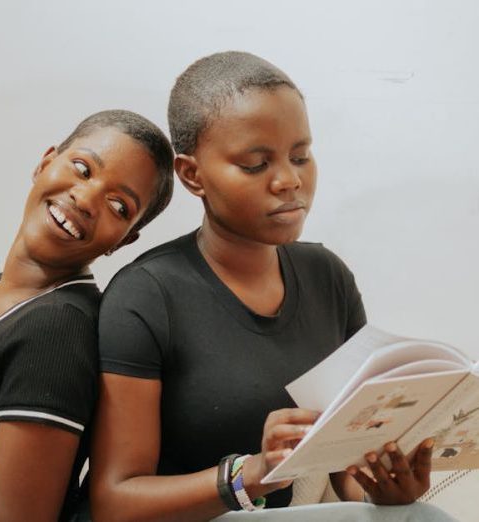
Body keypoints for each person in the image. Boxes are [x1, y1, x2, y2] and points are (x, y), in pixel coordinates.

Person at [91, 52, 433, 522]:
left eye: (301, 156)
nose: (289, 181)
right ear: (193, 175)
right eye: (256, 164)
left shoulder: (327, 277)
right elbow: (115, 503)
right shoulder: (146, 296)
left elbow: (345, 469)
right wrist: (249, 473)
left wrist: (388, 488)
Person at [0, 109, 174, 522]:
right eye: (82, 168)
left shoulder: (57, 330)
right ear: (44, 162)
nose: (86, 200)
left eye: (118, 206)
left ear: (123, 242)